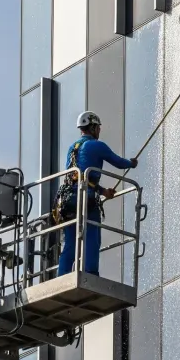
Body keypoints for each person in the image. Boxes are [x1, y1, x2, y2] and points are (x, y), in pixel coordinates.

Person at [56, 111, 138, 277]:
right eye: (98, 127)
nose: (99, 131)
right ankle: (90, 273)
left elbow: (78, 177)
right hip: (86, 198)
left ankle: (62, 274)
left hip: (68, 198)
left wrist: (103, 191)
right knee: (92, 236)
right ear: (92, 127)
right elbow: (118, 162)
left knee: (71, 241)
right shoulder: (96, 145)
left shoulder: (73, 148)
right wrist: (131, 163)